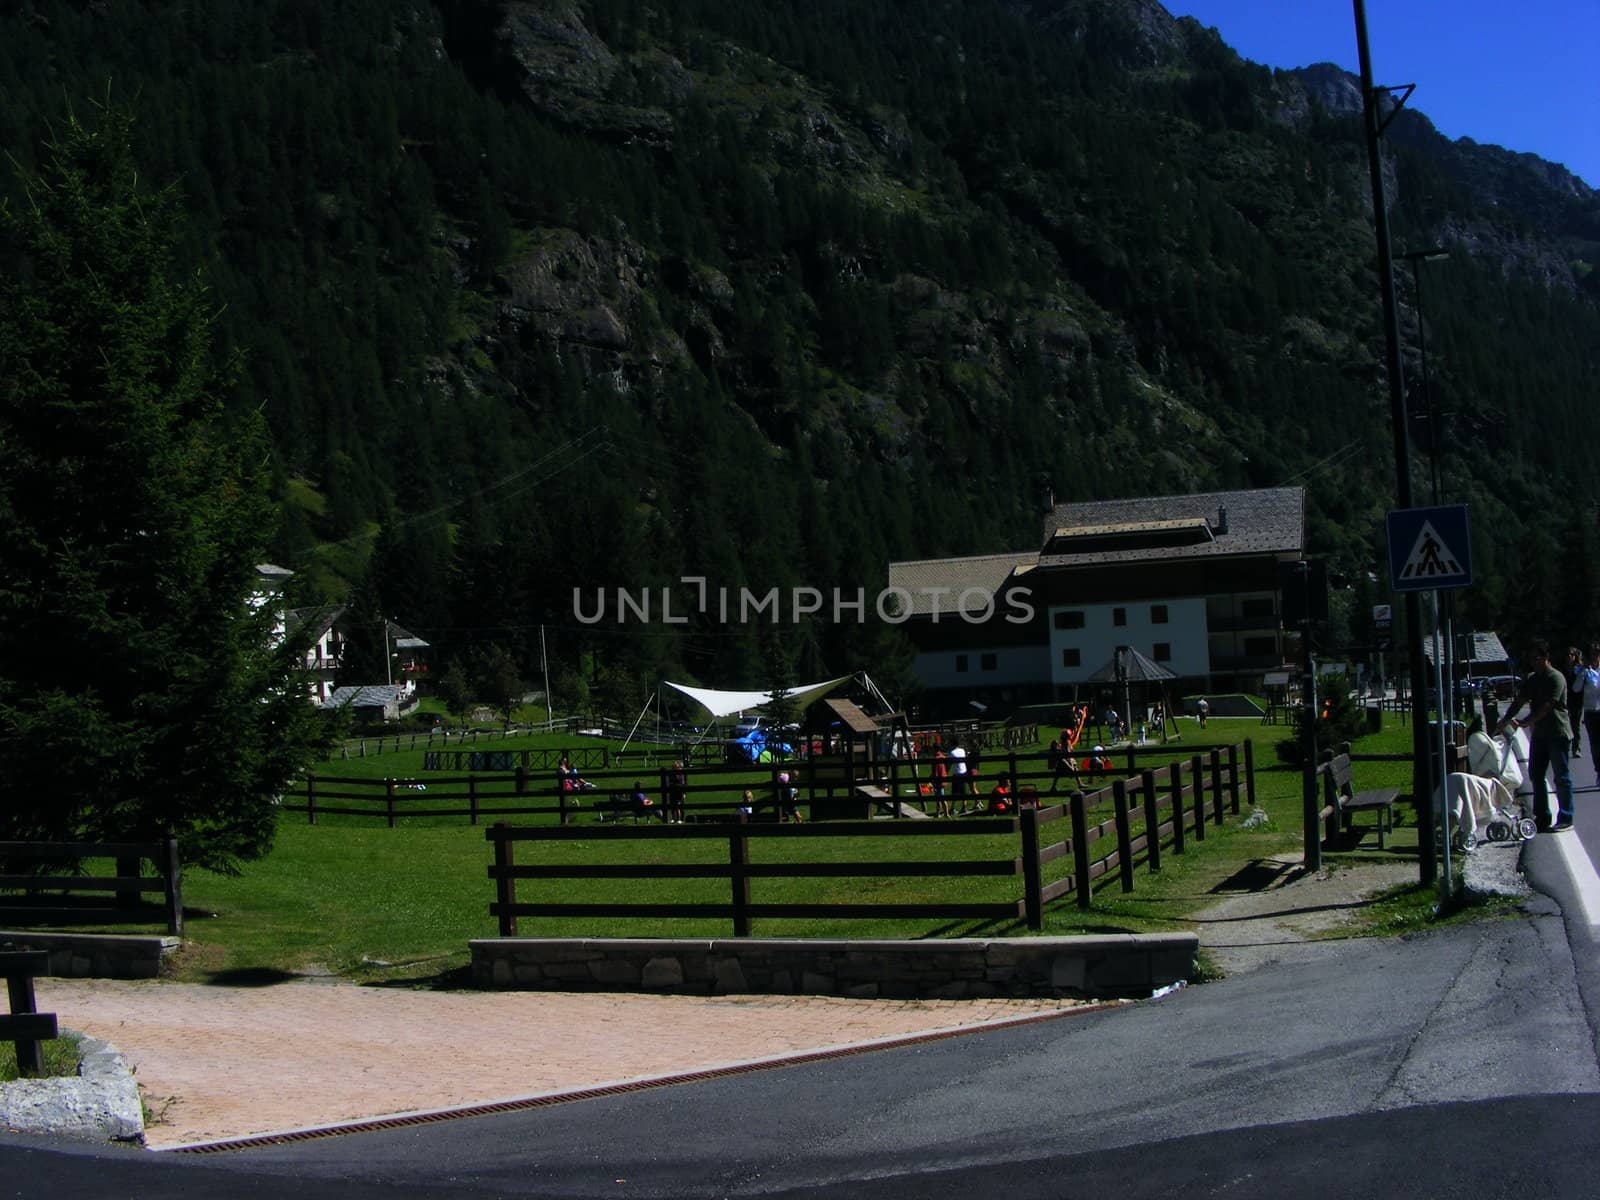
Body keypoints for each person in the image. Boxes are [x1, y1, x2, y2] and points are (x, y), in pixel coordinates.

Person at [1499, 640, 1574, 831]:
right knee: (1536, 774)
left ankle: (1566, 816)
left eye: (1537, 658)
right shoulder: (1533, 679)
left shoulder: (1556, 678)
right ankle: (1542, 816)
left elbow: (1548, 705)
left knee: (1561, 777)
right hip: (1540, 735)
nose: (1534, 662)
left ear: (1546, 658)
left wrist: (1526, 721)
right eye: (1531, 659)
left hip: (1557, 732)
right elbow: (1520, 700)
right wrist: (1506, 719)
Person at [1583, 644, 1600, 778]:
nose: (1595, 657)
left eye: (1597, 654)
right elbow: (1576, 688)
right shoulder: (1585, 671)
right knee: (1595, 744)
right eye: (1593, 655)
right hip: (1590, 712)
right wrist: (1583, 673)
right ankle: (1599, 771)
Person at [1567, 646, 1587, 757]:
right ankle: (1566, 746)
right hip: (1566, 700)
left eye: (1571, 655)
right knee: (1565, 725)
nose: (1569, 657)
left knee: (1575, 726)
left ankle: (1576, 748)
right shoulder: (1565, 669)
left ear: (1575, 656)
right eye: (1568, 655)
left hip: (1576, 701)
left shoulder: (1579, 669)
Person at [949, 739, 970, 813]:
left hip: (957, 773)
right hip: (964, 771)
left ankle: (952, 808)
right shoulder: (962, 750)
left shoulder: (952, 753)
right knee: (963, 791)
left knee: (955, 792)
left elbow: (949, 762)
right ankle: (964, 807)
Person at [931, 747, 951, 818]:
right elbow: (948, 767)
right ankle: (937, 813)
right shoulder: (943, 757)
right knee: (939, 798)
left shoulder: (936, 759)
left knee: (941, 798)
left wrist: (934, 782)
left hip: (938, 781)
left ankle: (946, 814)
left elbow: (935, 771)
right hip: (943, 778)